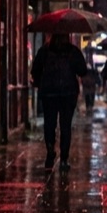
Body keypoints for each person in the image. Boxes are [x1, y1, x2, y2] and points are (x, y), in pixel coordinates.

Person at [30, 33, 88, 171]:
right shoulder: (73, 51)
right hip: (68, 94)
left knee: (49, 124)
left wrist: (39, 83)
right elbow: (83, 71)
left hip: (49, 93)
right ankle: (63, 160)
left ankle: (50, 151)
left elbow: (35, 70)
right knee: (65, 126)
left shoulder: (44, 51)